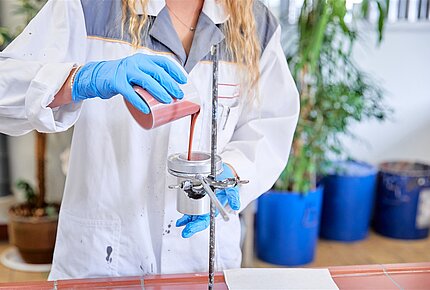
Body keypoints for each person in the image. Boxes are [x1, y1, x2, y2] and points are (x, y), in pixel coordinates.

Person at [0, 0, 299, 280]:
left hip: (202, 258)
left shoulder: (256, 24)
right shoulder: (89, 6)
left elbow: (269, 125)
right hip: (103, 259)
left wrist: (232, 172)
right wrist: (80, 79)